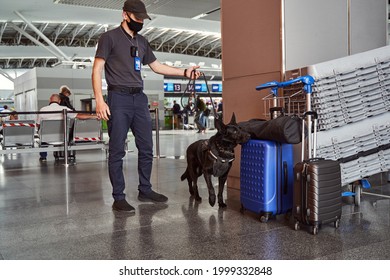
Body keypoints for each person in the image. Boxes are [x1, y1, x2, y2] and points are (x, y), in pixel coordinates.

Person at [92, 0, 201, 213]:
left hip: (139, 99)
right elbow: (97, 69)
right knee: (117, 150)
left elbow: (156, 66)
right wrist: (99, 99)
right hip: (118, 98)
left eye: (143, 19)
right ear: (125, 15)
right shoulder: (109, 38)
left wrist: (185, 72)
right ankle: (119, 197)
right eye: (137, 18)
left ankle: (145, 189)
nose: (140, 22)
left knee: (147, 148)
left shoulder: (142, 41)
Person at [37, 94, 97, 162]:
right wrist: (94, 116)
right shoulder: (64, 109)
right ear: (59, 101)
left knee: (42, 135)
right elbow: (79, 116)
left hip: (46, 139)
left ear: (50, 100)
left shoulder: (42, 109)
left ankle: (43, 157)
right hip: (63, 138)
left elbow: (38, 125)